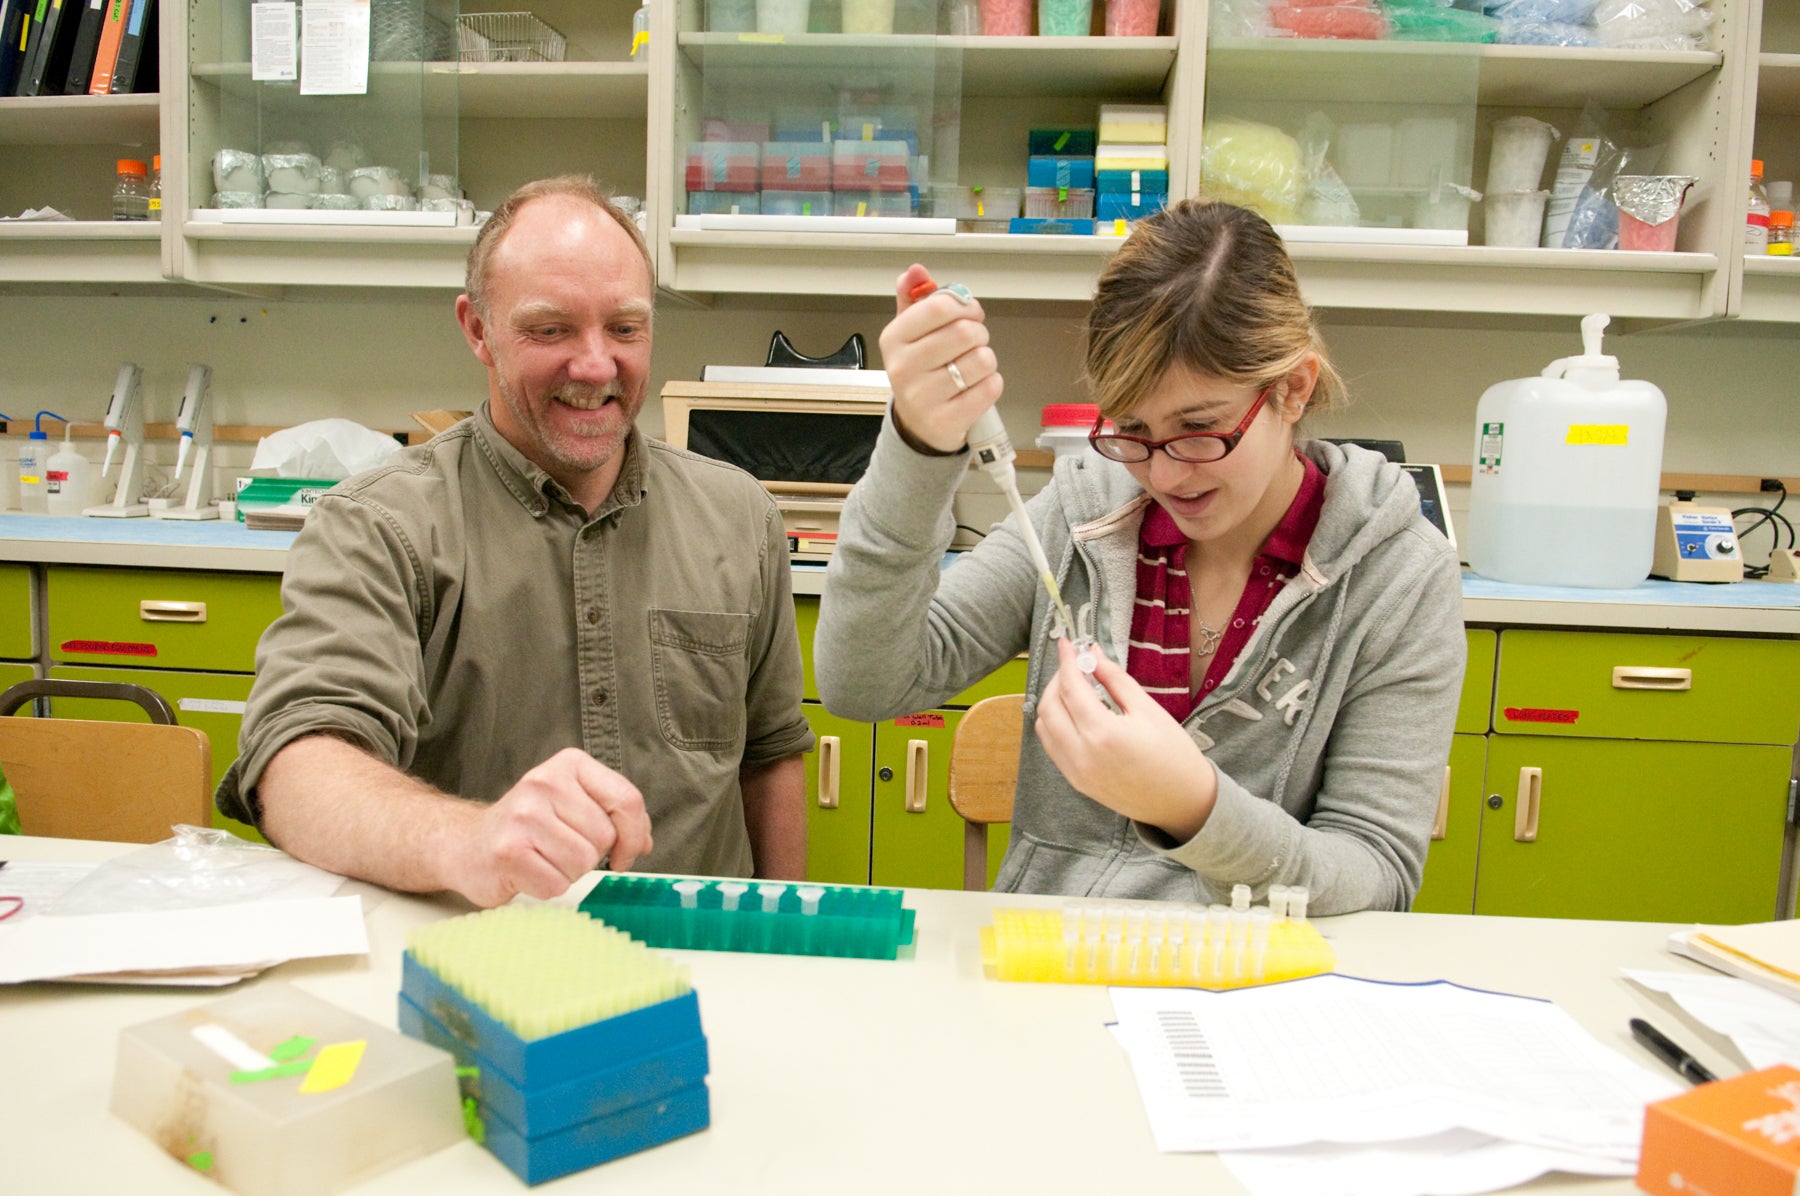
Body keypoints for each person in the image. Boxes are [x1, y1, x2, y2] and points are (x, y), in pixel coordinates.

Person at [814, 199, 1465, 915]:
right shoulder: (1087, 514)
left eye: (1200, 428)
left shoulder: (1397, 574)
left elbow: (1376, 873)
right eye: (1131, 429)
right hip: (1052, 970)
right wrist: (920, 445)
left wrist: (1193, 805)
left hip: (1256, 993)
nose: (1164, 473)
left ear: (1293, 389)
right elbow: (865, 682)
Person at [217, 175, 814, 908]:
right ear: (477, 328)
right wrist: (465, 840)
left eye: (625, 328)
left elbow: (772, 753)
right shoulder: (379, 527)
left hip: (699, 959)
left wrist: (788, 940)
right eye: (550, 329)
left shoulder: (738, 516)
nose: (596, 366)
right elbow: (297, 765)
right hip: (472, 966)